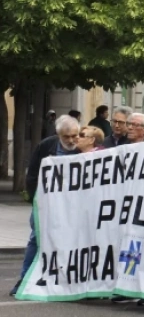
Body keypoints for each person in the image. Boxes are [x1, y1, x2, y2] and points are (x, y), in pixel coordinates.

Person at [10, 116, 80, 297]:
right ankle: (24, 280)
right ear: (58, 135)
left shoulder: (81, 150)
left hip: (71, 207)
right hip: (45, 204)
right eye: (67, 137)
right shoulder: (46, 146)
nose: (72, 140)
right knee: (36, 239)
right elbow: (32, 175)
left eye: (74, 135)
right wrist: (37, 200)